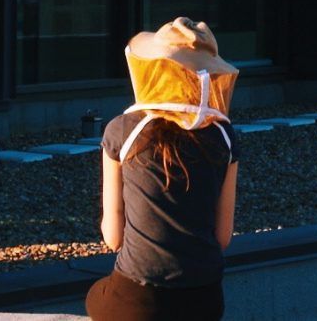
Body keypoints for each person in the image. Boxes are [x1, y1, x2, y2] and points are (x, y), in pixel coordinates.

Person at [87, 17, 242, 321]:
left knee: (97, 296)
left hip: (138, 300)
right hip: (204, 299)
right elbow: (222, 237)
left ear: (155, 69)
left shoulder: (122, 131)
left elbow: (114, 238)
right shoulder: (223, 137)